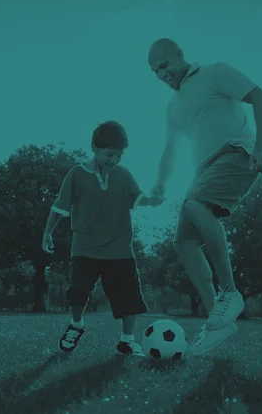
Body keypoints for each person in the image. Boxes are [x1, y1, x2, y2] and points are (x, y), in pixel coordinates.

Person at [147, 38, 262, 355]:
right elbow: (169, 150)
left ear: (179, 55)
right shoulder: (173, 106)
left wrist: (260, 148)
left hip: (235, 154)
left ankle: (229, 292)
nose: (161, 74)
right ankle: (218, 323)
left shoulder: (214, 73)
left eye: (164, 65)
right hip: (203, 170)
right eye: (155, 71)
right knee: (184, 243)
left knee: (195, 204)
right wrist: (161, 183)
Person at [42, 120, 164, 357]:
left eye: (119, 156)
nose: (114, 160)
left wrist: (153, 200)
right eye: (110, 154)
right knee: (78, 291)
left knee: (129, 296)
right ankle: (76, 325)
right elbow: (59, 208)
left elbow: (137, 199)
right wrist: (47, 232)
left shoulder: (123, 175)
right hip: (85, 247)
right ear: (95, 148)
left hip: (119, 247)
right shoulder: (76, 175)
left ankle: (127, 341)